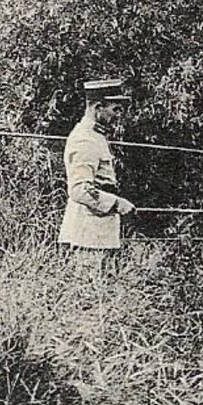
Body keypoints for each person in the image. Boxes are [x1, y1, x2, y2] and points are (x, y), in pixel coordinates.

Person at [59, 78, 137, 265]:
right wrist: (117, 203)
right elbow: (79, 189)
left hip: (97, 236)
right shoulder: (85, 140)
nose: (119, 115)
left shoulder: (96, 136)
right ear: (98, 107)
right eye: (115, 109)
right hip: (85, 239)